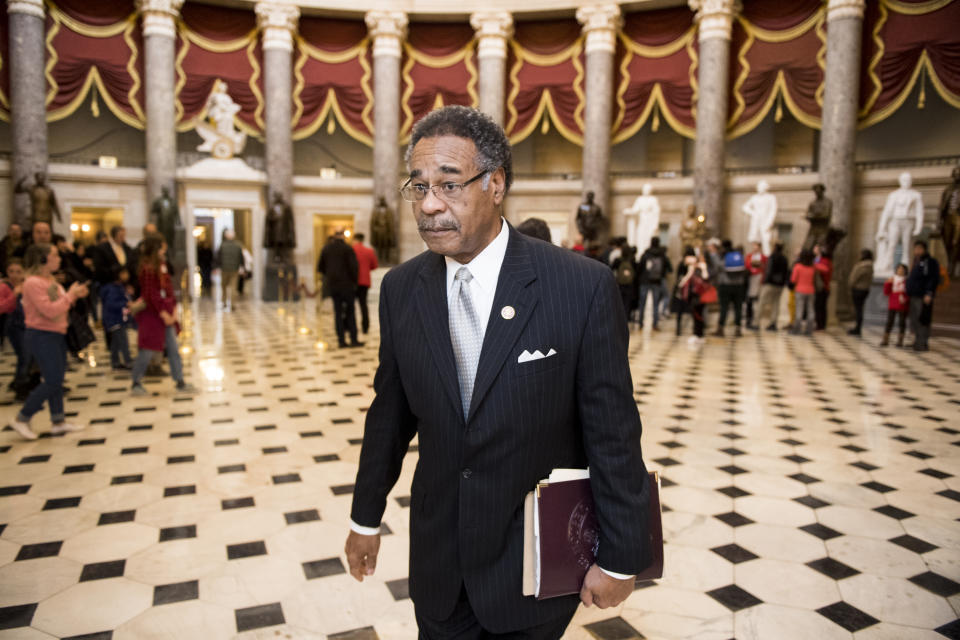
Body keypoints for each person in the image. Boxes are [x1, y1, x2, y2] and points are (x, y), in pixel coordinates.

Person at [345, 105, 651, 638]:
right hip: (440, 566)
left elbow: (613, 434)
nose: (430, 206)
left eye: (449, 184)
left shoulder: (580, 288)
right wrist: (364, 519)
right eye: (418, 187)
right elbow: (389, 417)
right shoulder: (401, 290)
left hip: (532, 567)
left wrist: (622, 556)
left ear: (496, 184)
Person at [10, 244, 89, 440]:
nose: (59, 258)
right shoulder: (33, 283)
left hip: (56, 333)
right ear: (43, 259)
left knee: (55, 379)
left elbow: (61, 306)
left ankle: (58, 421)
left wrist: (74, 294)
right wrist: (71, 295)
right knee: (53, 380)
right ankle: (22, 417)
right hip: (41, 335)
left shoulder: (50, 280)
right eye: (54, 255)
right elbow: (50, 310)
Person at [131, 236, 195, 395]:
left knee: (173, 348)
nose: (164, 252)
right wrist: (163, 312)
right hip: (153, 315)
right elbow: (150, 294)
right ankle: (136, 382)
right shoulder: (147, 268)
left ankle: (180, 381)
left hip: (166, 314)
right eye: (161, 249)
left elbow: (169, 289)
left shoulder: (162, 265)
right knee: (147, 349)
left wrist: (173, 309)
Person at [317, 230, 362, 348]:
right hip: (347, 286)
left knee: (337, 313)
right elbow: (354, 268)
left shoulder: (326, 249)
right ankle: (353, 339)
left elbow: (320, 267)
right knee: (350, 313)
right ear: (342, 236)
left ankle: (341, 341)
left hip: (334, 286)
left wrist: (330, 276)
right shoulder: (348, 249)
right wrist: (354, 282)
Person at [905, 240, 940, 352]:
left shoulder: (930, 262)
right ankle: (917, 340)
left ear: (924, 249)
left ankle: (922, 343)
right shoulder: (917, 261)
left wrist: (929, 293)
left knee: (923, 319)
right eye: (915, 249)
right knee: (914, 319)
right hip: (914, 295)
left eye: (919, 249)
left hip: (923, 296)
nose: (917, 251)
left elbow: (933, 278)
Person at [100, 266, 134, 370]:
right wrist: (125, 303)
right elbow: (111, 304)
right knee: (123, 341)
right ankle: (128, 361)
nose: (126, 275)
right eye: (124, 273)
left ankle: (115, 362)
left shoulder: (120, 287)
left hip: (117, 319)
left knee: (116, 342)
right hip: (115, 319)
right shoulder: (113, 289)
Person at [676, 248, 710, 345]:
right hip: (693, 295)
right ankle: (697, 334)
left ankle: (699, 335)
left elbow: (706, 277)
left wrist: (703, 268)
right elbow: (684, 281)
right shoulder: (691, 267)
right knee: (695, 314)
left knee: (699, 314)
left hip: (700, 294)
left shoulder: (702, 266)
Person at [713, 240, 747, 337]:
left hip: (725, 285)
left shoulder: (723, 255)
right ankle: (738, 329)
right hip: (738, 286)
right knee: (738, 308)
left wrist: (716, 255)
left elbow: (718, 267)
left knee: (724, 307)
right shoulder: (738, 255)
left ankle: (720, 329)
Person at [637, 237, 671, 330]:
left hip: (644, 281)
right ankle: (655, 324)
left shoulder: (646, 254)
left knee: (642, 303)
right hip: (656, 281)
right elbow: (669, 267)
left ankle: (640, 323)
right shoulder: (662, 255)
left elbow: (639, 267)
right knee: (655, 304)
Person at [756, 243, 789, 331]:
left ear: (775, 248)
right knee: (776, 304)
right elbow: (786, 272)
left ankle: (756, 323)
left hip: (770, 283)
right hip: (780, 285)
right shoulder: (785, 258)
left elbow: (768, 270)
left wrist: (765, 281)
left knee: (761, 302)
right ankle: (773, 323)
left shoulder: (772, 257)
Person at [352, 232, 379, 335]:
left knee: (351, 306)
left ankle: (351, 327)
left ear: (355, 239)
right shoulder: (369, 251)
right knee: (363, 305)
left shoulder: (351, 250)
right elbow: (375, 266)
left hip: (353, 281)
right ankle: (365, 327)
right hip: (364, 281)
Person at [847, 249, 874, 336]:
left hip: (858, 289)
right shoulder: (870, 266)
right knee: (860, 309)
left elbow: (854, 278)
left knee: (858, 309)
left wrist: (850, 285)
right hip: (865, 289)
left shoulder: (862, 266)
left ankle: (857, 328)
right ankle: (858, 327)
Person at [881, 263, 909, 347]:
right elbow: (886, 292)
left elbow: (909, 292)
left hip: (902, 303)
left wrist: (905, 299)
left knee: (902, 322)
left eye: (902, 269)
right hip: (893, 302)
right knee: (890, 321)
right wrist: (888, 283)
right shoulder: (892, 279)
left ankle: (900, 340)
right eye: (899, 269)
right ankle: (885, 339)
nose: (900, 270)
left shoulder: (907, 280)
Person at [790, 249, 817, 335]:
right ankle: (809, 330)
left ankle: (797, 329)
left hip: (800, 290)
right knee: (810, 310)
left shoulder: (798, 267)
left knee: (799, 310)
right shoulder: (813, 267)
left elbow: (793, 279)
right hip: (811, 290)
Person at [216, 229, 243, 311]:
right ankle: (233, 304)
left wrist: (218, 267)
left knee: (224, 287)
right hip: (234, 269)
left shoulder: (222, 245)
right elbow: (241, 258)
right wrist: (241, 267)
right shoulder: (238, 245)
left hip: (225, 269)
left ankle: (224, 302)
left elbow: (218, 258)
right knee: (233, 287)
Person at [612, 245, 638, 325]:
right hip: (630, 285)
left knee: (619, 302)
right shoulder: (632, 260)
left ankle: (618, 319)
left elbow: (612, 268)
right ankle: (625, 320)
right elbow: (636, 273)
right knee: (627, 303)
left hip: (619, 284)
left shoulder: (618, 260)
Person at [744, 242, 767, 330]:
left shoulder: (763, 257)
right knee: (749, 301)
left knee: (756, 301)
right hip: (750, 279)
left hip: (759, 279)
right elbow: (747, 265)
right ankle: (749, 320)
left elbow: (764, 267)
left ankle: (755, 321)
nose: (755, 248)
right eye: (754, 246)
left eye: (756, 247)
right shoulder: (749, 256)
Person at [813, 244, 833, 330]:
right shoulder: (818, 260)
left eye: (816, 248)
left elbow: (826, 270)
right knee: (819, 306)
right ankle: (819, 324)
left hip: (823, 287)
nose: (814, 249)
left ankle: (820, 325)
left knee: (820, 307)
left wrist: (814, 266)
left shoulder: (825, 261)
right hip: (819, 287)